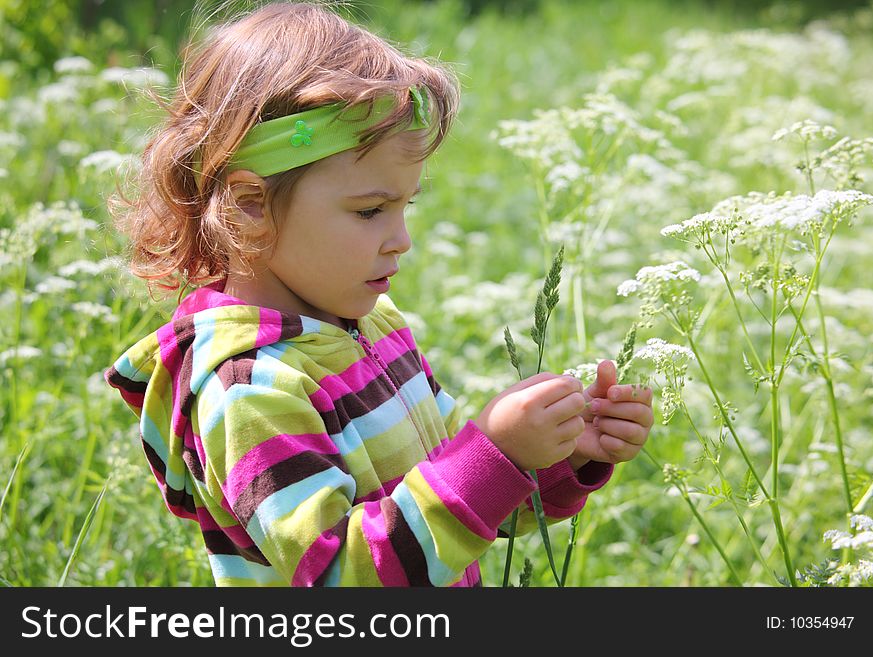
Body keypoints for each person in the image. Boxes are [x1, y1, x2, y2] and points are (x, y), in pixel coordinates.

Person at [104, 1, 655, 587]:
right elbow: (342, 574)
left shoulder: (374, 328)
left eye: (404, 205)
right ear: (250, 205)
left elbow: (453, 521)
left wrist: (559, 457)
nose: (401, 240)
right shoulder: (250, 389)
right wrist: (497, 454)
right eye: (370, 210)